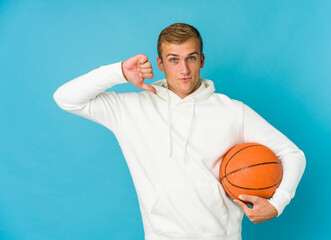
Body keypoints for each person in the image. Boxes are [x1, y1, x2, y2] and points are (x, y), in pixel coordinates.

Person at [53, 23, 306, 240]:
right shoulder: (130, 109)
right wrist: (119, 71)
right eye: (174, 59)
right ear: (160, 64)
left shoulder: (233, 111)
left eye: (191, 58)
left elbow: (292, 153)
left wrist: (277, 204)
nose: (184, 70)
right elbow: (66, 98)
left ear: (202, 60)